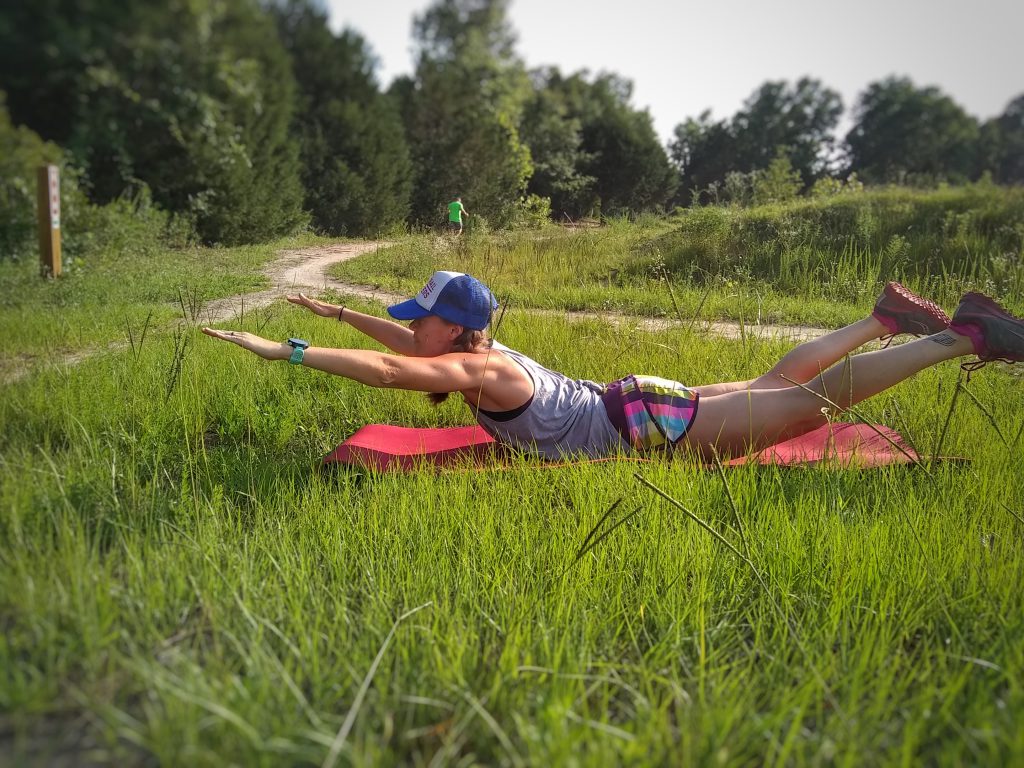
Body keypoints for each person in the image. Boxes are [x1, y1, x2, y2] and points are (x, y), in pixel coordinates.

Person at [202, 272, 1024, 461]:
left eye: (423, 323)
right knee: (779, 385)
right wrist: (337, 313)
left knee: (806, 404)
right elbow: (398, 343)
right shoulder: (480, 347)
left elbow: (390, 372)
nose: (407, 333)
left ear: (453, 335)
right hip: (637, 403)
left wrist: (289, 351)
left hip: (647, 425)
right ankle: (881, 318)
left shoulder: (476, 375)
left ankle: (963, 338)